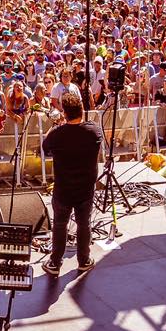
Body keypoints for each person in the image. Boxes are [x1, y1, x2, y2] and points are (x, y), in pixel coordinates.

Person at [41, 88, 101, 277]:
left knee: (60, 224)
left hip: (63, 188)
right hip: (85, 188)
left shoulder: (57, 134)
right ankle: (83, 260)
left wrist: (56, 124)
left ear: (65, 113)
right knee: (84, 223)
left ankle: (55, 263)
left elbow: (45, 147)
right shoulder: (94, 130)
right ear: (82, 109)